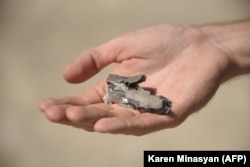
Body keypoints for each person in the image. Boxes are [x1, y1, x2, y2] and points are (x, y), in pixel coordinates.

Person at [39, 20, 250, 136]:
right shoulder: (126, 93)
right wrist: (214, 43)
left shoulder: (144, 98)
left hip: (126, 93)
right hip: (123, 92)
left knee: (149, 101)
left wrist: (214, 44)